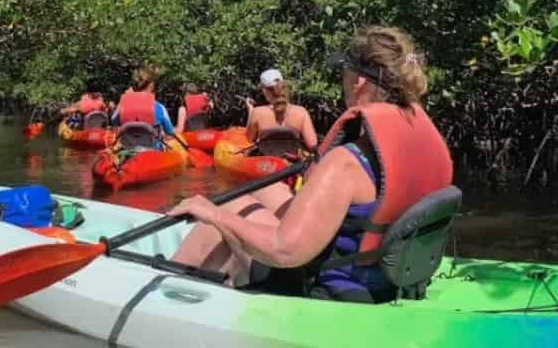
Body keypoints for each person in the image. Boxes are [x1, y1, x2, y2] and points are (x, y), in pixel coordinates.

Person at [168, 25, 453, 303]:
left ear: (359, 82)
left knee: (230, 208)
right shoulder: (419, 137)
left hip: (329, 288)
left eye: (345, 71)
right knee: (270, 190)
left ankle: (166, 297)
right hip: (385, 277)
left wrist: (211, 213)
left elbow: (285, 252)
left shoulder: (346, 163)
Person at [244, 69, 318, 151]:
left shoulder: (257, 112)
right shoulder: (301, 112)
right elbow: (312, 144)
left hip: (267, 162)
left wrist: (251, 110)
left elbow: (249, 139)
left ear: (264, 91)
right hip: (293, 162)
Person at [111, 66, 175, 138]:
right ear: (151, 86)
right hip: (153, 148)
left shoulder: (123, 106)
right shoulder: (160, 107)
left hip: (128, 147)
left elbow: (114, 122)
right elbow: (170, 133)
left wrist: (123, 99)